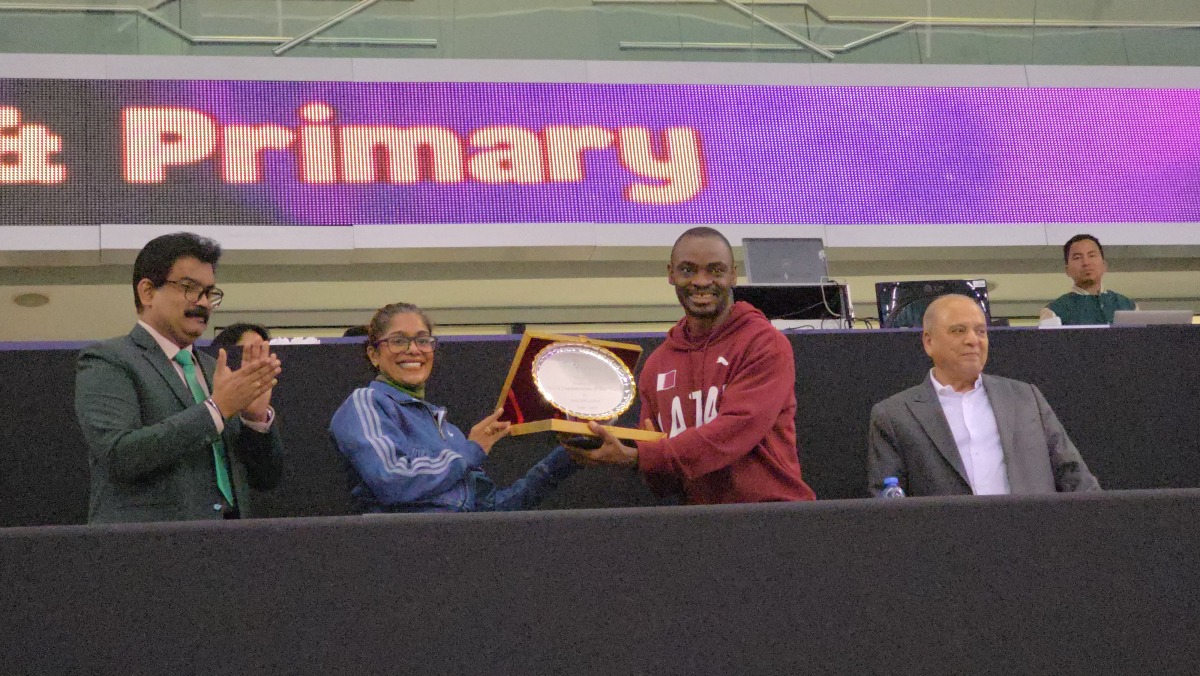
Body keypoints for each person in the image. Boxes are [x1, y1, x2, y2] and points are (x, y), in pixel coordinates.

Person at [567, 227, 816, 504]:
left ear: (733, 275)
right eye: (688, 270)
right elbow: (662, 476)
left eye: (715, 271)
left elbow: (732, 432)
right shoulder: (657, 364)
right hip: (696, 525)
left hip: (773, 520)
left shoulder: (764, 343)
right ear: (670, 274)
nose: (701, 281)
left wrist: (642, 455)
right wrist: (620, 451)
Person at [75, 232, 284, 523]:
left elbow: (266, 479)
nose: (204, 304)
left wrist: (254, 421)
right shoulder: (108, 360)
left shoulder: (213, 370)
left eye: (209, 292)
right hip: (149, 551)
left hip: (231, 545)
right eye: (189, 288)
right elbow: (119, 455)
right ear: (147, 292)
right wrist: (217, 410)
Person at [328, 302, 578, 513]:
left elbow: (492, 511)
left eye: (423, 340)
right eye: (398, 340)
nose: (413, 349)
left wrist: (567, 457)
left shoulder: (450, 432)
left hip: (461, 554)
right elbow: (392, 479)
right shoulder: (366, 402)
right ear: (373, 354)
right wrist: (471, 450)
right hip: (401, 555)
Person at [868, 294, 1100, 497]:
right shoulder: (895, 415)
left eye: (980, 331)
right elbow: (889, 507)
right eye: (958, 331)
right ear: (929, 342)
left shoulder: (1026, 398)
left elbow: (1074, 476)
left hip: (1032, 539)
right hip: (944, 544)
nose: (973, 340)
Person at [1041, 234, 1136, 325]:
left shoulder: (1129, 306)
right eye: (1077, 257)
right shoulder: (1054, 311)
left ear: (1104, 265)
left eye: (1092, 255)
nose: (1086, 262)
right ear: (1067, 270)